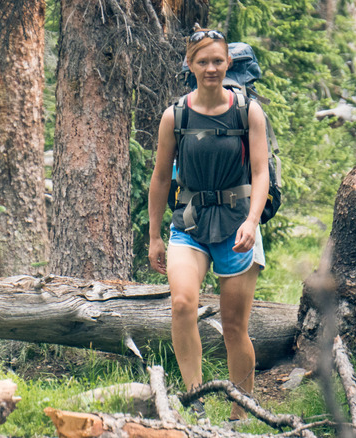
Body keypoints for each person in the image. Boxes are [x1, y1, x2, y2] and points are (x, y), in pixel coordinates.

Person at [147, 28, 269, 422]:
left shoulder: (247, 110)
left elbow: (261, 171)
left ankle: (241, 412)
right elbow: (161, 178)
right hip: (190, 222)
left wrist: (252, 220)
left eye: (217, 61)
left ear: (228, 63)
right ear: (191, 66)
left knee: (234, 326)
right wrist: (153, 236)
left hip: (238, 224)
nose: (211, 68)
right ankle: (195, 398)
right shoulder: (175, 115)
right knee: (182, 303)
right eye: (203, 62)